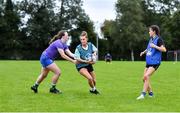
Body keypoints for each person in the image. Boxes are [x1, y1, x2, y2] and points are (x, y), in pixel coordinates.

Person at [137, 25, 166, 100]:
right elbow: (149, 48)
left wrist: (155, 46)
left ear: (154, 31)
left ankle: (143, 94)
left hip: (155, 62)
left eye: (150, 30)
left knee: (146, 76)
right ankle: (151, 93)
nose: (149, 32)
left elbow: (164, 49)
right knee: (144, 78)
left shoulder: (159, 39)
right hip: (149, 62)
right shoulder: (151, 40)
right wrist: (143, 52)